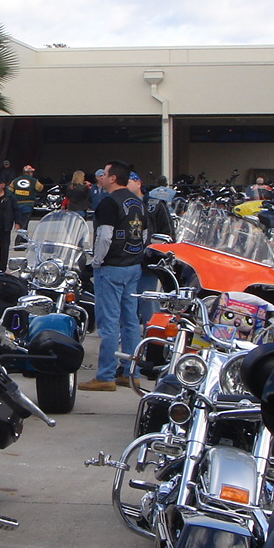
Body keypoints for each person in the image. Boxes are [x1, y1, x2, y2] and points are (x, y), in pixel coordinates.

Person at [81, 162, 148, 392]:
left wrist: (97, 262)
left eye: (105, 173)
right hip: (133, 265)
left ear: (112, 178)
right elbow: (144, 233)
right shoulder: (136, 201)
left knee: (109, 322)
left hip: (112, 267)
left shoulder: (109, 203)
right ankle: (131, 372)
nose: (102, 177)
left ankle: (105, 375)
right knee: (130, 320)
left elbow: (105, 236)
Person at [9, 164, 42, 230]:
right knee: (24, 223)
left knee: (19, 222)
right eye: (31, 172)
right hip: (28, 205)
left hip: (17, 205)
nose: (32, 173)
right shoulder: (34, 181)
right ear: (29, 173)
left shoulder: (15, 181)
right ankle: (19, 238)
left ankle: (23, 238)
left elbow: (10, 191)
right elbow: (40, 188)